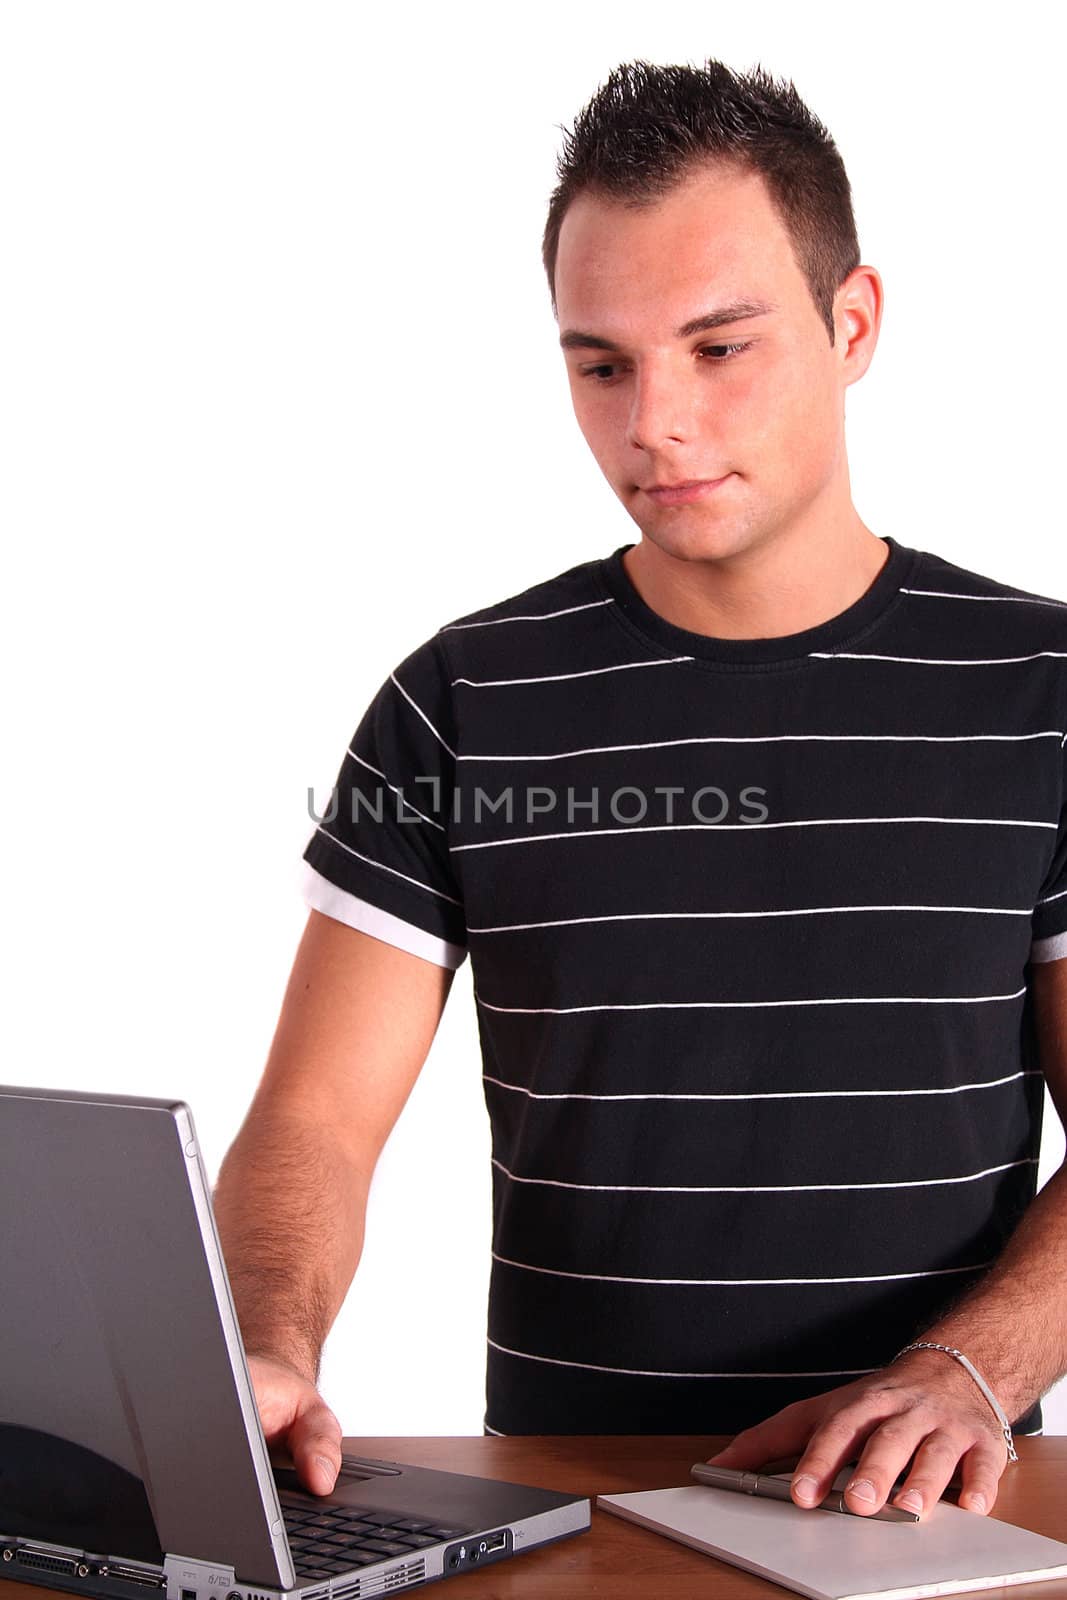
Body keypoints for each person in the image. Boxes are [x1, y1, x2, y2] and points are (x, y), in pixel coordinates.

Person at [212, 57, 1067, 1526]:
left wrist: (968, 1370)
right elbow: (313, 1129)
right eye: (600, 363)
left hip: (928, 1521)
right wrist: (262, 1346)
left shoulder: (1044, 694)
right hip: (568, 1515)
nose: (652, 422)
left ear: (851, 323)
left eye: (720, 348)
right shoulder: (465, 702)